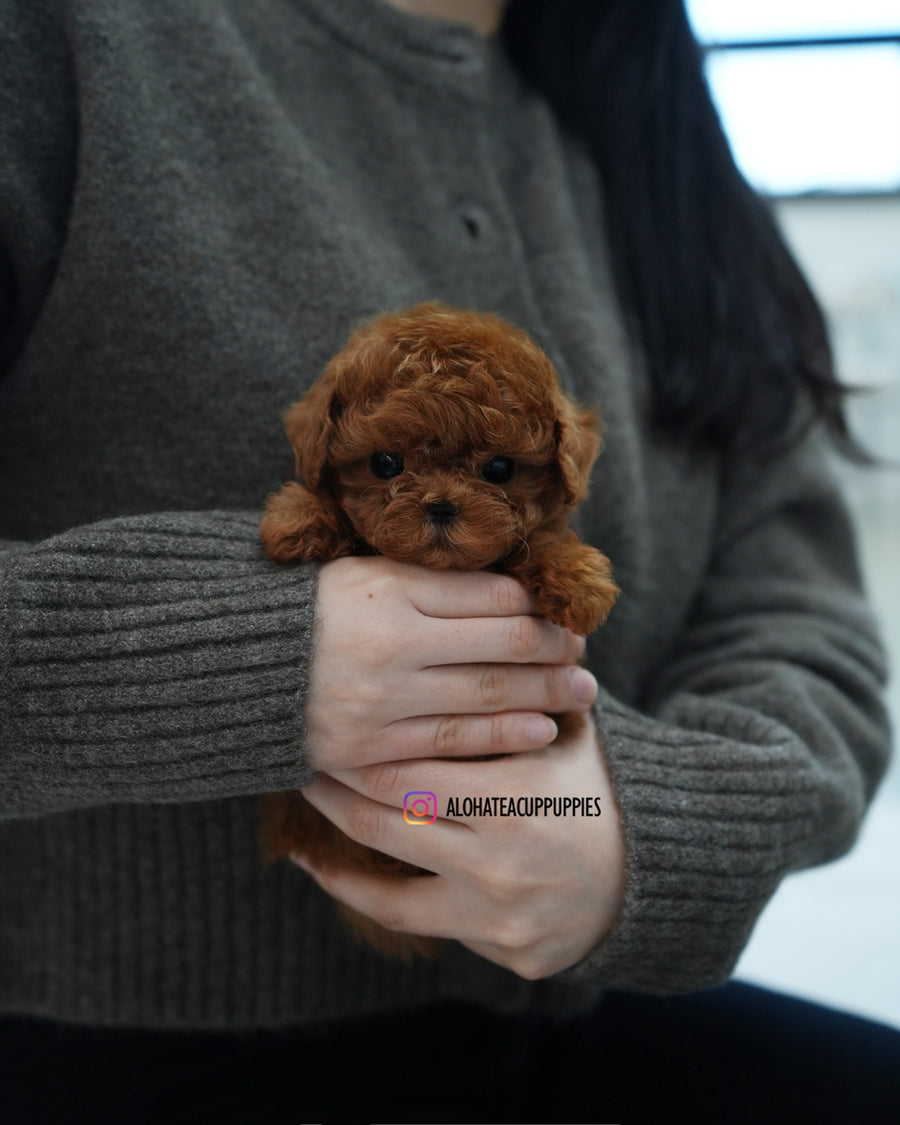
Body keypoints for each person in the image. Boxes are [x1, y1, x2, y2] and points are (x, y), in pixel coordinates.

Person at [0, 0, 897, 1120]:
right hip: (114, 1053)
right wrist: (248, 655)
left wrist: (651, 826)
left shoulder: (655, 137)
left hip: (601, 1015)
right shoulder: (64, 42)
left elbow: (802, 618)